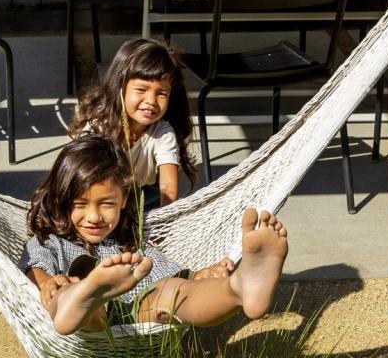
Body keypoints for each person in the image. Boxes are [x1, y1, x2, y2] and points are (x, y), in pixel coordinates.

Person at [19, 136, 288, 335]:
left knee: (172, 293)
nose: (94, 217)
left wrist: (200, 277)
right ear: (62, 199)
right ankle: (89, 292)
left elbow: (165, 274)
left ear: (124, 199)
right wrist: (47, 284)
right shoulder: (52, 240)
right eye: (80, 204)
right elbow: (35, 266)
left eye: (107, 204)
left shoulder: (131, 240)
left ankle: (240, 288)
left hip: (138, 314)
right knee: (74, 298)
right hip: (91, 320)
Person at [69, 38, 196, 207]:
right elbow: (81, 178)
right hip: (100, 195)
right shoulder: (98, 126)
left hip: (144, 196)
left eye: (162, 93)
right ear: (120, 87)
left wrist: (167, 223)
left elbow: (167, 188)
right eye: (141, 90)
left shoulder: (162, 133)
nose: (151, 100)